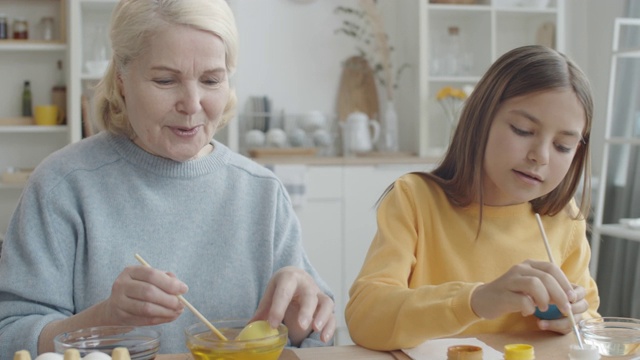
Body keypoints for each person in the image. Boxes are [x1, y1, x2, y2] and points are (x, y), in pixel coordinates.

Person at [0, 0, 335, 356]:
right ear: (122, 81)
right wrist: (107, 317)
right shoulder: (62, 186)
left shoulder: (262, 193)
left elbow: (320, 339)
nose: (192, 104)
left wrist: (302, 323)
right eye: (165, 80)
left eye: (211, 80)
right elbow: (8, 337)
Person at [345, 45, 600, 351]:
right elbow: (365, 319)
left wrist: (572, 322)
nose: (540, 156)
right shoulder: (416, 199)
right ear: (481, 119)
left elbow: (592, 329)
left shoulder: (564, 219)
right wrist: (475, 301)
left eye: (562, 146)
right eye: (522, 130)